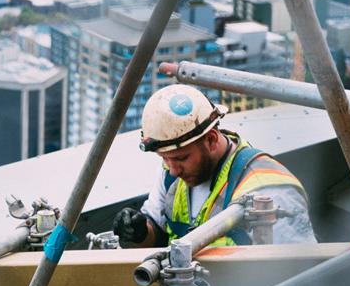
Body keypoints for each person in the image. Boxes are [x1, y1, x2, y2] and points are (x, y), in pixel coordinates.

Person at [113, 84, 316, 248]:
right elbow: (158, 233)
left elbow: (295, 274)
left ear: (210, 140)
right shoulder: (172, 171)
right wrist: (140, 232)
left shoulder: (268, 189)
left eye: (181, 159)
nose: (173, 169)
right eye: (165, 159)